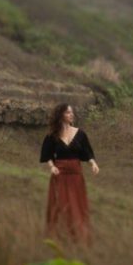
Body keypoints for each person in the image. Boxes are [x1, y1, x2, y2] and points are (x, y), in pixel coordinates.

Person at [39, 103, 98, 242]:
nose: (71, 115)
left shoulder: (80, 133)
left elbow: (87, 152)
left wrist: (93, 163)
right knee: (60, 204)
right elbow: (47, 156)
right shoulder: (52, 135)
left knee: (76, 205)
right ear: (60, 115)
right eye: (68, 112)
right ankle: (58, 235)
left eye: (72, 112)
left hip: (76, 175)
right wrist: (52, 167)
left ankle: (78, 236)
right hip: (59, 174)